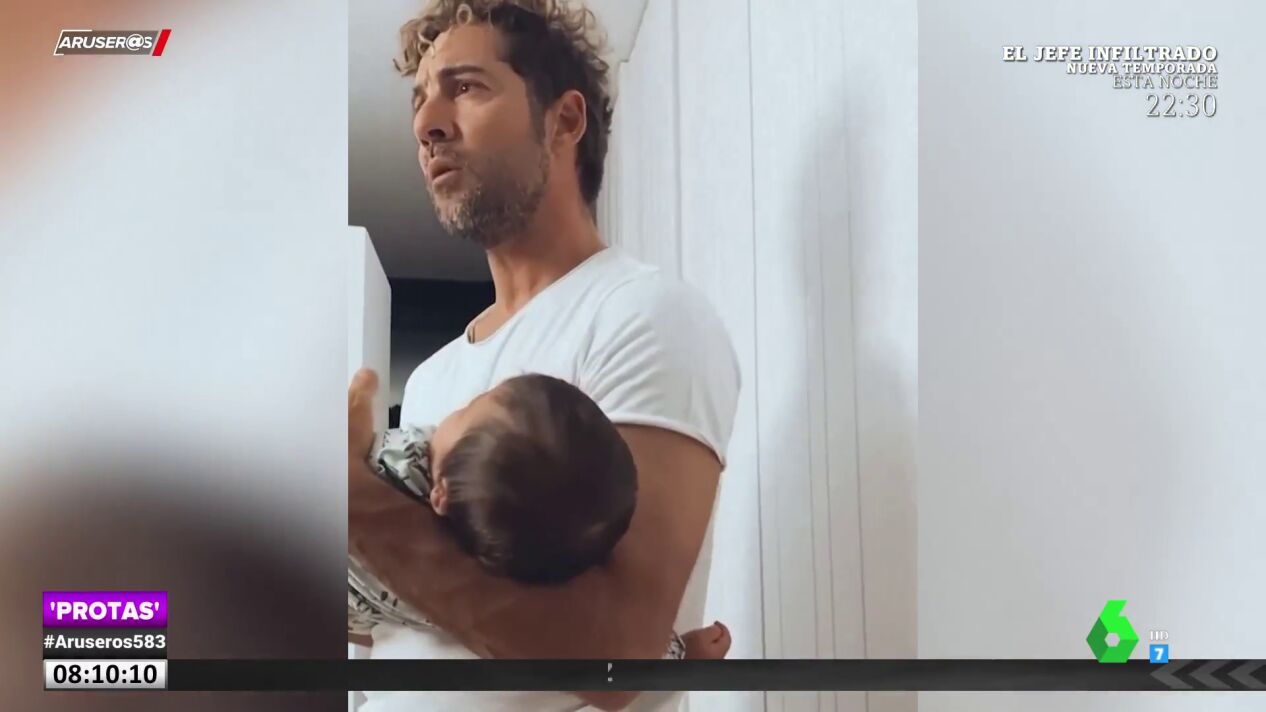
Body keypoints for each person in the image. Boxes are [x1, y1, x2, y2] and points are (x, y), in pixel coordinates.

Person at [347, 1, 740, 710]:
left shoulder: (642, 314)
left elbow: (619, 657)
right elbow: (410, 620)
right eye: (420, 99)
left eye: (465, 86)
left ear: (564, 120)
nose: (427, 123)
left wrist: (355, 504)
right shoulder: (434, 378)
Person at [347, 373, 732, 662]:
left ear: (441, 492)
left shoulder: (399, 464)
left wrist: (360, 402)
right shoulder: (499, 588)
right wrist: (681, 654)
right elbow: (584, 636)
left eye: (467, 410)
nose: (454, 410)